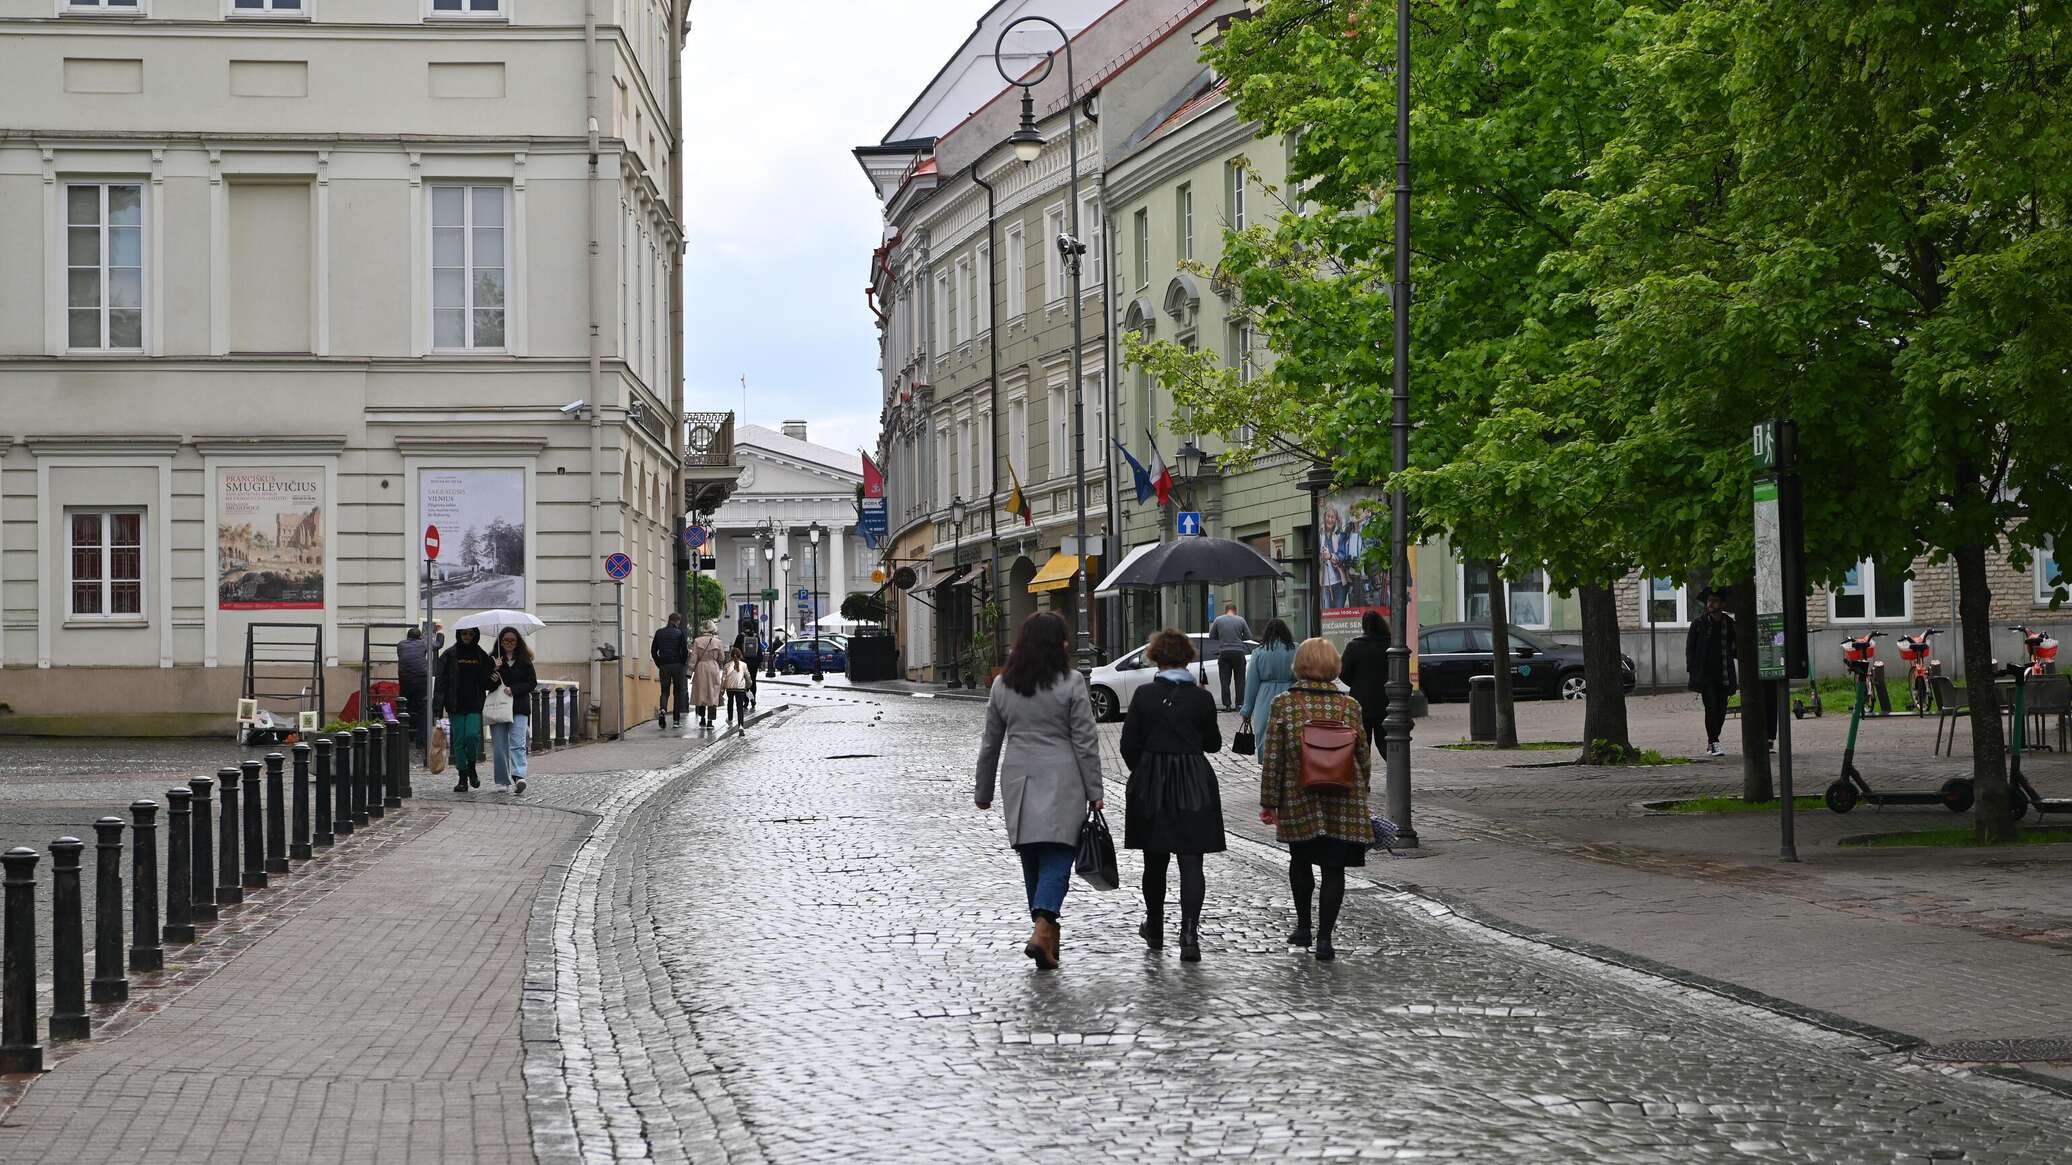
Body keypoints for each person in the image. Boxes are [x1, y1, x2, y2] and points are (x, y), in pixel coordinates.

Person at [973, 612, 1104, 970]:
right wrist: (1095, 788)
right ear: (1057, 645)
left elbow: (990, 745)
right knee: (1058, 857)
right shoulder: (1072, 682)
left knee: (1031, 857)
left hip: (1019, 782)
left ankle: (1046, 938)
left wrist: (982, 790)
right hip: (1063, 780)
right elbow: (1085, 740)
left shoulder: (1002, 685)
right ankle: (1043, 927)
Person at [1259, 637, 1373, 962]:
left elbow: (1274, 759)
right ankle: (1326, 939)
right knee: (1334, 868)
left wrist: (1269, 801)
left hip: (1299, 797)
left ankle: (1304, 926)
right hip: (1343, 800)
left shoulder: (1285, 703)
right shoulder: (1350, 706)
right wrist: (1361, 793)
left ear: (1300, 663)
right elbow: (1362, 756)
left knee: (1301, 860)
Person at [1119, 629, 1224, 961]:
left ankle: (1155, 927)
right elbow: (1213, 744)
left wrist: (1145, 768)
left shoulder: (1144, 695)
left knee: (1155, 860)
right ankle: (1190, 935)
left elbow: (1128, 745)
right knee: (1192, 860)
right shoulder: (1201, 698)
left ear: (1156, 657)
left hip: (1153, 782)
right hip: (1194, 780)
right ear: (1187, 658)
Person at [435, 626, 499, 793]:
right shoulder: (449, 654)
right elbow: (440, 683)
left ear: (475, 635)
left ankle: (472, 767)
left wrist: (494, 675)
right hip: (455, 704)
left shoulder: (481, 655)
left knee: (471, 737)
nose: (467, 636)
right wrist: (438, 708)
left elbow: (487, 682)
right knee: (459, 741)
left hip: (475, 703)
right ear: (459, 634)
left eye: (471, 634)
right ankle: (463, 777)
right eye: (464, 633)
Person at [1686, 587, 1738, 756]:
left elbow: (1735, 649)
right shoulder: (1698, 624)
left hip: (1723, 673)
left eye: (1715, 600)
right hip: (1706, 675)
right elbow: (1690, 650)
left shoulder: (1729, 624)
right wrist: (1693, 671)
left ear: (1722, 604)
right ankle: (1713, 741)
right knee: (1711, 708)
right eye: (1709, 601)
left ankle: (1714, 740)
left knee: (1721, 710)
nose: (1711, 604)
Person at [489, 627, 536, 795]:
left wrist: (514, 689)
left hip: (519, 707)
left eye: (512, 640)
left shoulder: (525, 660)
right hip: (499, 707)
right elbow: (486, 684)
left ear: (517, 642)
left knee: (518, 744)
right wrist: (493, 670)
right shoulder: (493, 659)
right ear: (500, 642)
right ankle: (502, 780)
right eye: (506, 640)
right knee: (500, 746)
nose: (509, 643)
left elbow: (532, 683)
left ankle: (519, 776)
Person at [1240, 618, 1299, 748]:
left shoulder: (1259, 652)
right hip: (1292, 694)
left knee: (1265, 730)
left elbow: (1251, 684)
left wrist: (1247, 711)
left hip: (1265, 697)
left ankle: (1267, 761)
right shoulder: (1296, 649)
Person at [1338, 608, 1393, 746]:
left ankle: (1364, 767)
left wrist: (1357, 684)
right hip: (1386, 700)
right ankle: (1394, 767)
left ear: (1363, 626)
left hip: (1360, 700)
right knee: (1386, 742)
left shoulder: (1354, 646)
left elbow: (1343, 673)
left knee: (1362, 743)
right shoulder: (1390, 645)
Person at [1207, 602, 1254, 711]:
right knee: (1240, 681)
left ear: (1225, 610)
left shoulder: (1218, 620)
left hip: (1224, 653)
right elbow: (1249, 636)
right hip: (1238, 653)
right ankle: (1239, 704)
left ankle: (1227, 705)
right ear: (1235, 610)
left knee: (1225, 681)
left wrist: (1223, 637)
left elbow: (1212, 636)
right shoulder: (1241, 620)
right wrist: (1238, 637)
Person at [397, 627, 432, 752]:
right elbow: (438, 644)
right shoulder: (422, 643)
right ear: (420, 637)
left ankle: (404, 738)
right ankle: (421, 741)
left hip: (405, 680)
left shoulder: (400, 645)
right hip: (420, 680)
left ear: (407, 636)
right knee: (423, 710)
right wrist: (440, 632)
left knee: (404, 707)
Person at [651, 613, 690, 726]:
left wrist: (659, 663)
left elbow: (653, 651)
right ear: (677, 621)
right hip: (676, 665)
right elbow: (684, 651)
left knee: (664, 691)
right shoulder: (679, 633)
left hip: (664, 665)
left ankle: (663, 710)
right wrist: (682, 663)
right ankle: (676, 720)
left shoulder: (659, 633)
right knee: (677, 692)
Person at [690, 621, 727, 730]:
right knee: (713, 693)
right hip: (713, 667)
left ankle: (702, 718)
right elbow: (722, 658)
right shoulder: (718, 642)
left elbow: (693, 657)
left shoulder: (697, 641)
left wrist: (690, 671)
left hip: (701, 667)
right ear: (713, 629)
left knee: (701, 693)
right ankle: (710, 721)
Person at [734, 624, 764, 708]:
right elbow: (759, 651)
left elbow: (735, 649)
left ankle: (746, 701)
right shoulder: (756, 636)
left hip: (743, 663)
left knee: (744, 683)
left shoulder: (740, 637)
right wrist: (759, 662)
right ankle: (753, 699)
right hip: (754, 664)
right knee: (753, 682)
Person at [723, 647, 752, 729]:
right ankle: (741, 726)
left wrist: (722, 689)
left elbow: (724, 678)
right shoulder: (744, 665)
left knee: (730, 702)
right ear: (740, 655)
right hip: (740, 688)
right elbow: (748, 677)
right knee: (740, 706)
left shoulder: (727, 665)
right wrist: (748, 686)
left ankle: (730, 718)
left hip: (730, 688)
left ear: (731, 656)